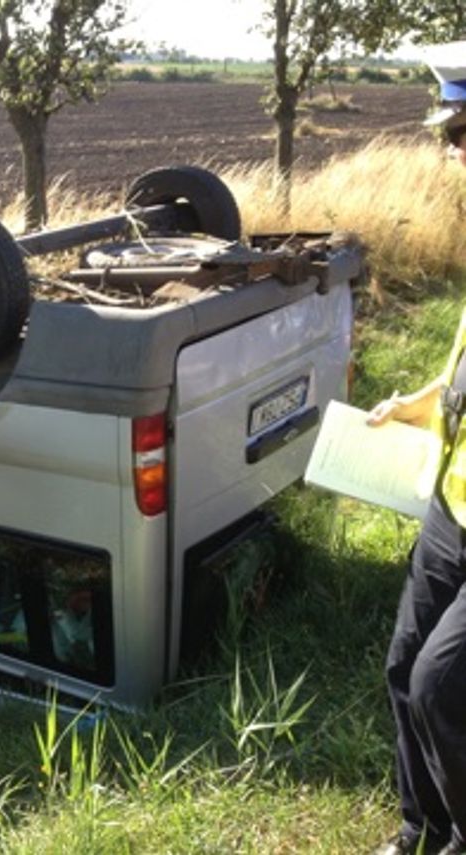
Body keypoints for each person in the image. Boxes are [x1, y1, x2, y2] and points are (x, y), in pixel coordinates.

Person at [368, 41, 466, 855]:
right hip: (453, 504)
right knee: (406, 666)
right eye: (450, 134)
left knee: (443, 686)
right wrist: (419, 403)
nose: (452, 151)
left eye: (463, 133)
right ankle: (421, 826)